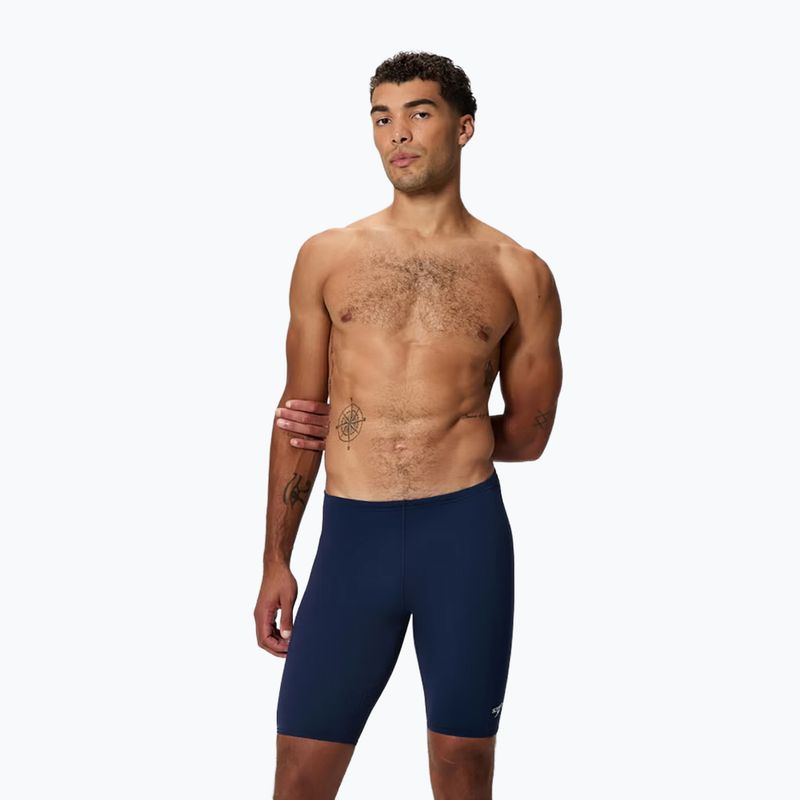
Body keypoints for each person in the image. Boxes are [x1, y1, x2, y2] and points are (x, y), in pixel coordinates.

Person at [254, 50, 563, 800]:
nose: (398, 133)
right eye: (382, 117)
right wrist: (275, 561)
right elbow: (300, 419)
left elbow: (530, 434)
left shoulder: (518, 271)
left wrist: (447, 430)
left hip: (463, 537)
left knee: (462, 767)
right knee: (300, 773)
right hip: (351, 538)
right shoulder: (327, 257)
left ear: (463, 127)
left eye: (419, 113)